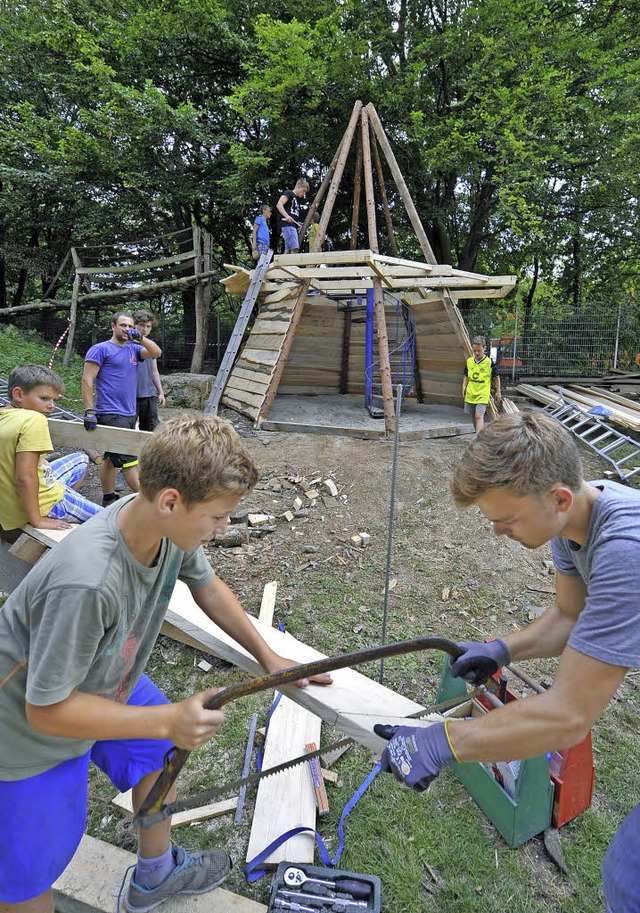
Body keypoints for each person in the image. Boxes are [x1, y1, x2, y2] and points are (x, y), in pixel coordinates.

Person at [0, 414, 332, 913]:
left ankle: (155, 875)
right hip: (24, 734)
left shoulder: (165, 531)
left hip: (101, 678)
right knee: (29, 875)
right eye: (217, 517)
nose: (222, 530)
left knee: (158, 749)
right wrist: (168, 718)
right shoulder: (88, 581)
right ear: (171, 500)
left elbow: (207, 587)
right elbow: (46, 710)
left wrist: (268, 658)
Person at [374, 411, 640, 913]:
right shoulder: (577, 517)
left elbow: (566, 717)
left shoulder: (626, 550)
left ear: (558, 497)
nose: (496, 532)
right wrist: (503, 649)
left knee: (629, 881)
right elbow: (568, 614)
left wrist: (442, 742)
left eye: (506, 519)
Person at [0, 364, 101, 532]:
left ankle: (67, 495)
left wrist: (41, 462)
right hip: (42, 503)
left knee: (81, 459)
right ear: (18, 394)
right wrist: (37, 519)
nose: (51, 405)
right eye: (44, 398)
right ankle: (61, 507)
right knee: (112, 520)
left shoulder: (4, 414)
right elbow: (25, 477)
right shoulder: (33, 420)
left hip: (12, 499)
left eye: (54, 400)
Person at [82, 311, 162, 506]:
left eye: (130, 326)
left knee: (110, 460)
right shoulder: (100, 349)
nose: (126, 329)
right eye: (123, 325)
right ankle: (152, 505)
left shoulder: (134, 349)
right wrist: (90, 410)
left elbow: (156, 352)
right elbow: (87, 379)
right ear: (113, 326)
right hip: (110, 413)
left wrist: (140, 338)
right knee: (130, 463)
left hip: (129, 413)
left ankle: (108, 498)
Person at [134, 309, 165, 432]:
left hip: (149, 394)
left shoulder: (152, 346)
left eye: (148, 326)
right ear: (135, 325)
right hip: (130, 395)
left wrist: (161, 392)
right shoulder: (125, 344)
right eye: (142, 325)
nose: (145, 329)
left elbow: (154, 372)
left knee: (150, 429)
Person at [462, 335, 501, 433]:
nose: (476, 353)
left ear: (484, 347)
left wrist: (498, 391)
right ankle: (477, 434)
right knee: (473, 415)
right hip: (471, 393)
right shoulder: (470, 361)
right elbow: (466, 375)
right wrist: (463, 386)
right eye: (474, 351)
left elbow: (496, 377)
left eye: (479, 350)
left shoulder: (489, 362)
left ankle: (478, 438)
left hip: (482, 394)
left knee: (479, 415)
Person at [276, 179, 309, 254]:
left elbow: (292, 214)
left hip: (292, 225)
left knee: (288, 250)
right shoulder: (289, 193)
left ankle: (283, 265)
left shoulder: (296, 199)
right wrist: (286, 216)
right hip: (288, 225)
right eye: (303, 191)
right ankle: (292, 265)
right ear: (299, 186)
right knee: (294, 248)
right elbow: (279, 204)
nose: (303, 193)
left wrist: (298, 223)